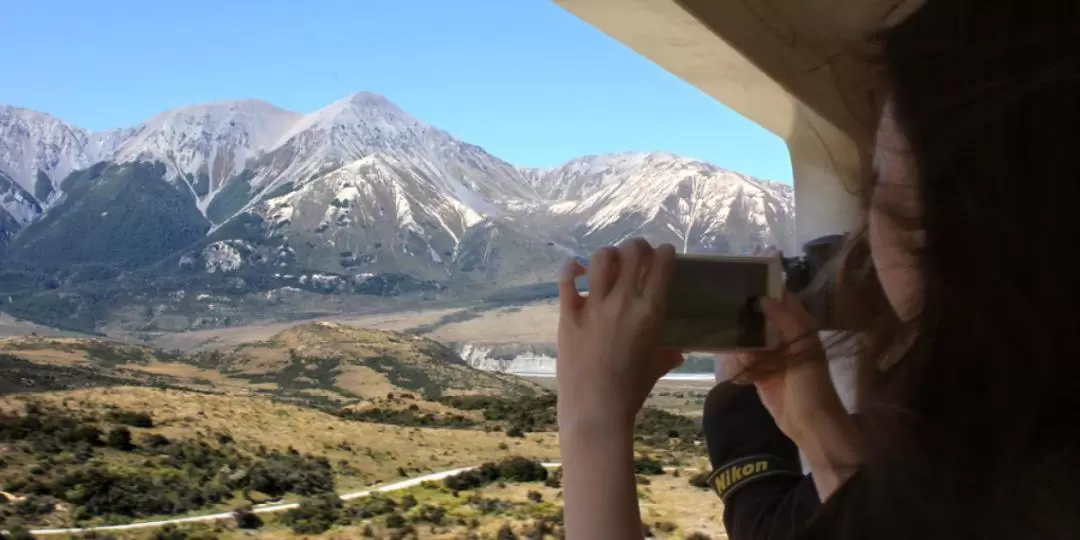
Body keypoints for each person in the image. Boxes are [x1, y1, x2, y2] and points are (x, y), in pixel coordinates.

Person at [556, 1, 1080, 539]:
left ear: (954, 234)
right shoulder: (1029, 467)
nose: (856, 243)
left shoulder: (992, 485)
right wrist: (816, 424)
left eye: (878, 179)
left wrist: (591, 420)